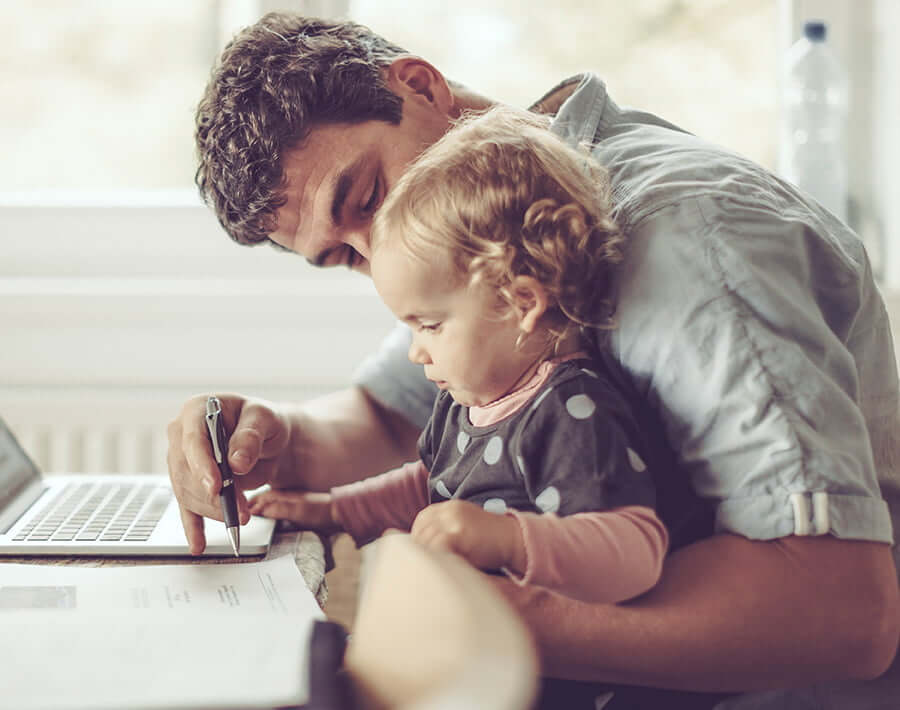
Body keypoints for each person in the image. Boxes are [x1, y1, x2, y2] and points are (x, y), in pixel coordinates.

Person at [167, 11, 900, 709]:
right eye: (342, 258)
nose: (377, 250)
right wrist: (276, 437)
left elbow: (841, 610)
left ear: (420, 86)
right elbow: (397, 418)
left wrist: (495, 620)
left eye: (366, 198)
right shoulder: (477, 216)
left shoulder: (686, 240)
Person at [250, 105, 669, 615]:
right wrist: (335, 511)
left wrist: (509, 539)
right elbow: (429, 485)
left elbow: (635, 552)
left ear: (521, 303)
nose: (415, 350)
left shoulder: (572, 412)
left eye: (429, 325)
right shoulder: (465, 402)